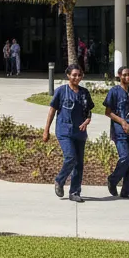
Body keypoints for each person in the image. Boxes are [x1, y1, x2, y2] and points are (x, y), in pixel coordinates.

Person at [43, 63, 94, 202]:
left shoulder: (84, 93)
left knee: (79, 164)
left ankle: (75, 192)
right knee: (71, 157)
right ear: (68, 76)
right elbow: (52, 110)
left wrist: (88, 120)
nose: (77, 77)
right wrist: (46, 130)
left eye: (79, 75)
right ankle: (60, 180)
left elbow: (89, 110)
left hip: (80, 132)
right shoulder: (61, 91)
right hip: (64, 130)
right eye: (74, 75)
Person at [104, 65, 129, 200]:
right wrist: (123, 123)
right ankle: (113, 180)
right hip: (119, 131)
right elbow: (108, 112)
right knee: (125, 157)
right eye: (124, 75)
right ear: (119, 76)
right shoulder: (114, 91)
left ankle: (127, 190)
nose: (127, 77)